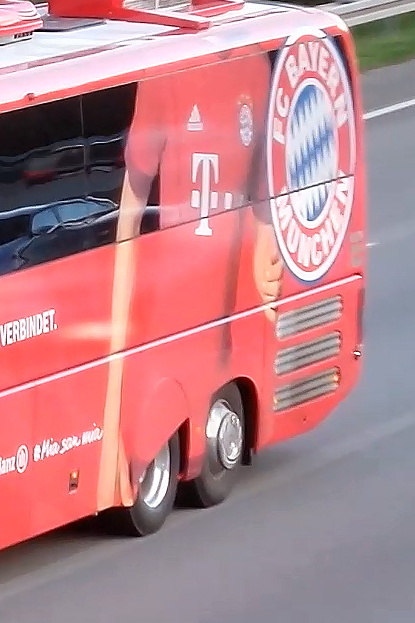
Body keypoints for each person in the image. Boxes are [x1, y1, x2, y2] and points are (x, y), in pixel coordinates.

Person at [94, 50, 283, 510]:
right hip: (161, 323)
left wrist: (270, 298)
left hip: (225, 318)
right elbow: (128, 213)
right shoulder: (164, 81)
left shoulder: (257, 73)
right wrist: (114, 355)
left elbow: (267, 204)